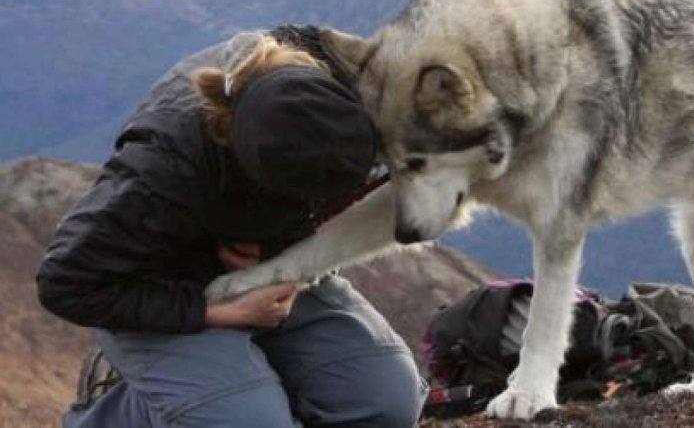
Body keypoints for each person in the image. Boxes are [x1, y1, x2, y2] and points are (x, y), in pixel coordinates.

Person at [36, 27, 427, 427]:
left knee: (387, 404)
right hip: (165, 287)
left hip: (267, 274)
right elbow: (66, 284)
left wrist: (281, 260)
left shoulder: (340, 88)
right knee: (251, 422)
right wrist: (221, 312)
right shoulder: (165, 170)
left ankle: (228, 397)